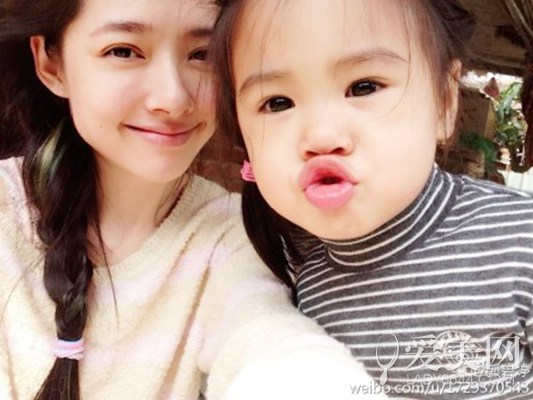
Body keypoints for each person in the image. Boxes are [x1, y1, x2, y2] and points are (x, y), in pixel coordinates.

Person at [0, 0, 386, 399]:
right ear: (51, 64)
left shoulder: (234, 237)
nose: (172, 98)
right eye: (124, 51)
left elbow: (269, 341)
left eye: (203, 54)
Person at [211, 0, 533, 398]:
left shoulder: (520, 243)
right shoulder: (300, 292)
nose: (322, 136)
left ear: (444, 101)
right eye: (278, 102)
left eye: (364, 87)